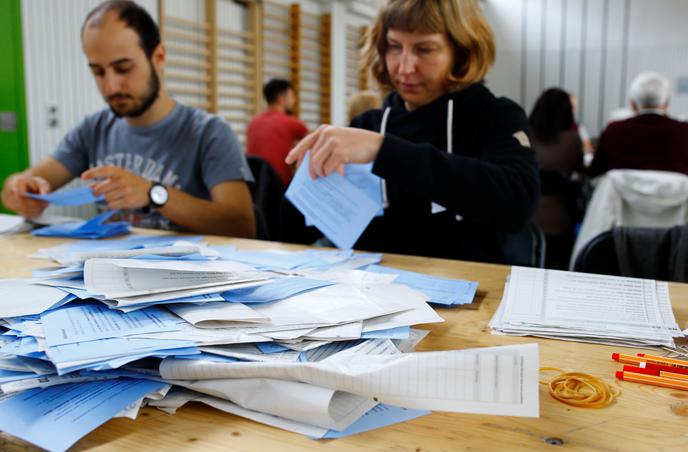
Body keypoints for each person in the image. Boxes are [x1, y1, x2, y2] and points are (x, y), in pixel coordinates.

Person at [284, 0, 539, 264]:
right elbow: (292, 232)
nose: (405, 67)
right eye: (394, 47)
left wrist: (383, 150)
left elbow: (517, 202)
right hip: (374, 296)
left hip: (475, 295)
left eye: (424, 49)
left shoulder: (495, 116)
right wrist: (307, 179)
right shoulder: (366, 126)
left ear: (461, 51)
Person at [1, 0, 255, 237]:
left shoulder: (209, 132)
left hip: (188, 277)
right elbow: (23, 182)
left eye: (124, 68)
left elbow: (242, 226)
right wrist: (19, 190)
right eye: (98, 72)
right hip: (109, 274)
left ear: (158, 58)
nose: (111, 86)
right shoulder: (93, 129)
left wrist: (153, 193)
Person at [590, 71, 688, 177]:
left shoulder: (613, 131)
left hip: (623, 193)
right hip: (675, 194)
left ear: (633, 105)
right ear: (666, 103)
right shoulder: (684, 131)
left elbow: (596, 171)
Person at [528, 88, 584, 268]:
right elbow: (579, 170)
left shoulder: (525, 136)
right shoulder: (573, 140)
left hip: (528, 215)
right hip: (561, 218)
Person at [247, 79, 308, 187]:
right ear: (281, 99)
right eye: (292, 96)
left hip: (255, 190)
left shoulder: (253, 123)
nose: (294, 100)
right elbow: (311, 150)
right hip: (279, 188)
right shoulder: (293, 123)